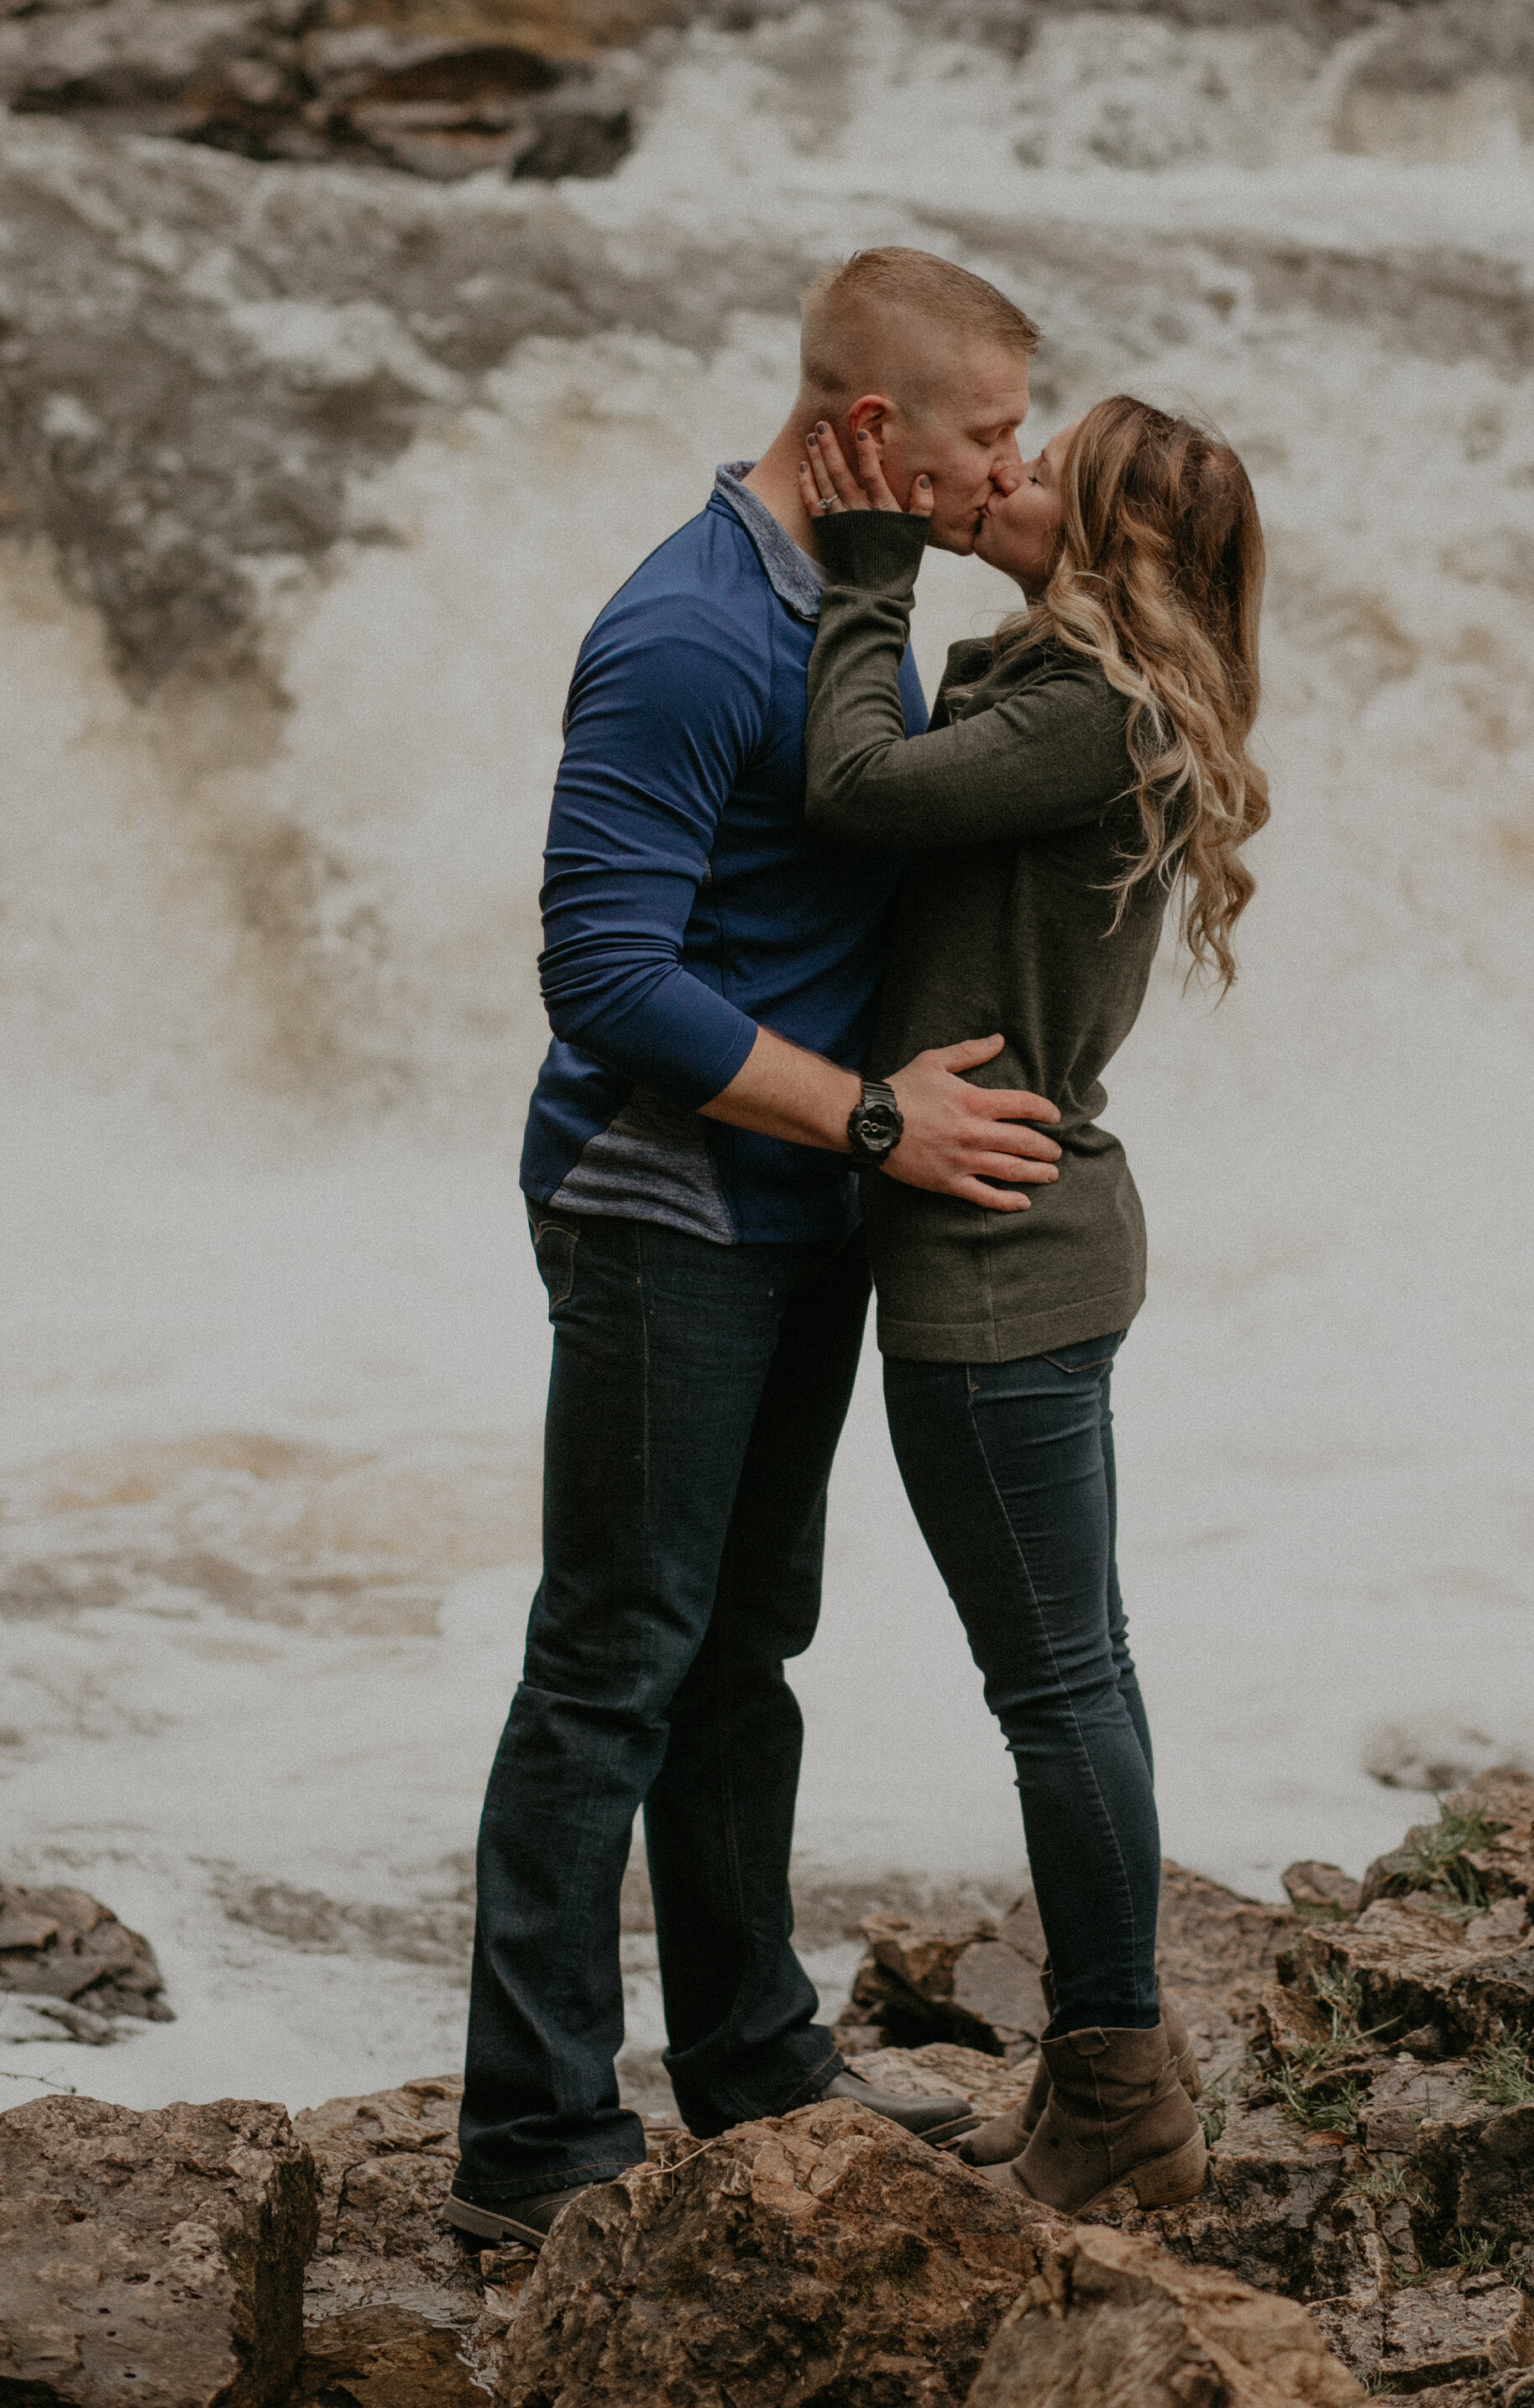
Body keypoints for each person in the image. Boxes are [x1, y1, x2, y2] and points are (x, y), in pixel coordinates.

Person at [445, 249, 1071, 2250]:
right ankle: (530, 2145)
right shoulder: (690, 631)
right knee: (610, 1661)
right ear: (871, 434)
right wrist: (875, 1116)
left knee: (740, 1651)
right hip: (662, 1215)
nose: (1015, 467)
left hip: (788, 1211)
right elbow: (602, 976)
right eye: (990, 434)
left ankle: (747, 2059)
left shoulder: (846, 612)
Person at [795, 390, 1269, 2217]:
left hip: (1001, 1257)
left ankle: (1116, 2097)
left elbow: (855, 788)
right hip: (1030, 1236)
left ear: (1107, 538)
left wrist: (864, 574)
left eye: (1039, 466)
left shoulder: (1088, 710)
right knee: (1074, 1680)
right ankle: (1115, 2076)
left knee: (1058, 1688)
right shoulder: (1070, 692)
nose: (1005, 473)